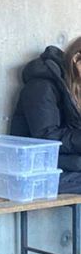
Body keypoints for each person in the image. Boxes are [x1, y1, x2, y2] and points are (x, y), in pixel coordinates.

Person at [10, 37, 81, 193]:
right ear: (76, 59)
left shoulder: (77, 87)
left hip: (65, 164)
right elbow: (46, 137)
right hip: (35, 168)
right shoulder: (41, 86)